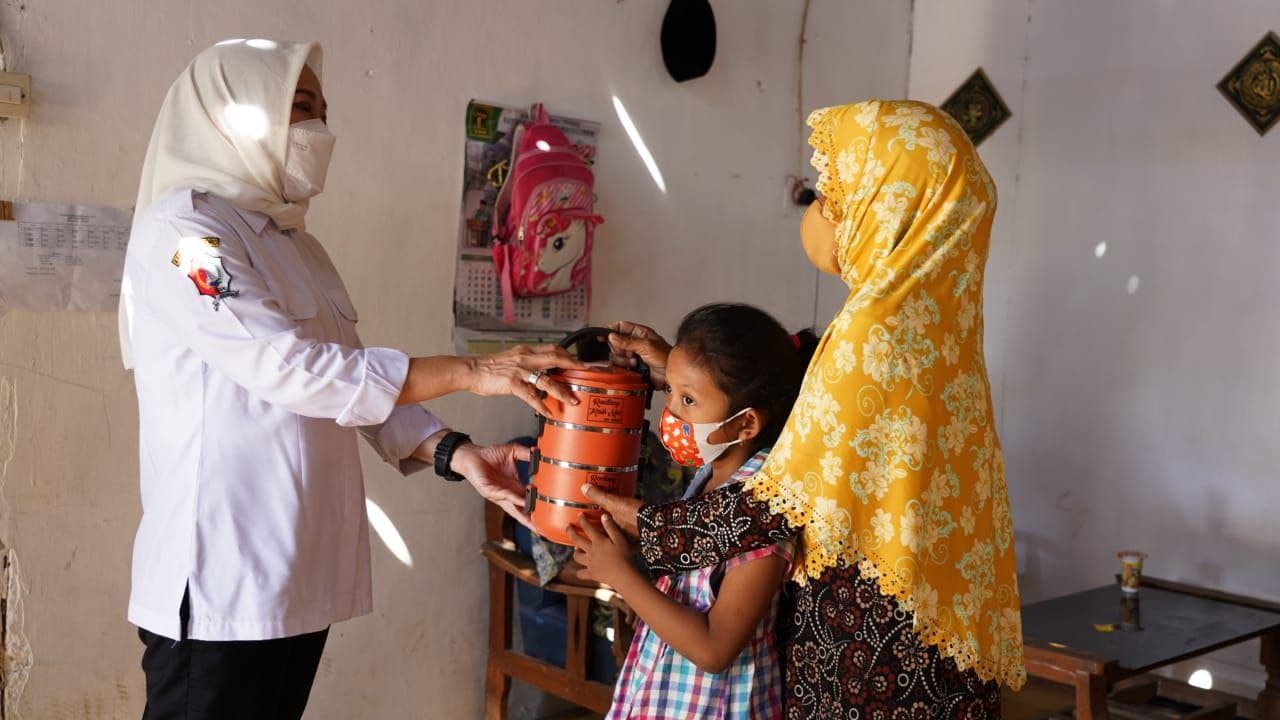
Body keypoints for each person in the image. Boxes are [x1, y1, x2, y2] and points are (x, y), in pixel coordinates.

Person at [117, 39, 581, 719]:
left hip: (295, 579)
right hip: (220, 583)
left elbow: (349, 380)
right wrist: (473, 371)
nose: (319, 131)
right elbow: (291, 370)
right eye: (300, 109)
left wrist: (455, 453)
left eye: (322, 112)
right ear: (230, 112)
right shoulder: (185, 234)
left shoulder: (297, 246)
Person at [583, 100, 1026, 718]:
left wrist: (642, 526)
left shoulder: (875, 329)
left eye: (834, 199)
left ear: (889, 205)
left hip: (871, 648)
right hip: (935, 634)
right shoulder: (940, 320)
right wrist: (676, 372)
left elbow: (780, 499)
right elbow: (825, 438)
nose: (821, 215)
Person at [569, 303, 817, 719]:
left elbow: (715, 648)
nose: (671, 412)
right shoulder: (710, 475)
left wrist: (622, 578)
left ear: (746, 424)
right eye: (670, 391)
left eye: (688, 400)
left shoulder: (760, 512)